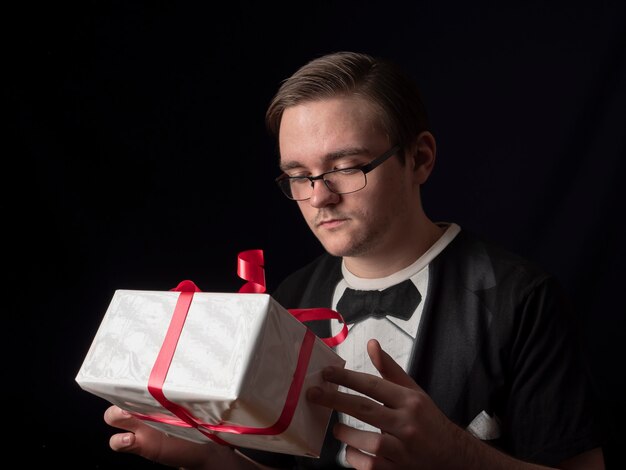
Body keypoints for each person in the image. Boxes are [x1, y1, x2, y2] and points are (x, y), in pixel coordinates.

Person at [104, 51, 604, 469]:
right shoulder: (290, 299)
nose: (319, 198)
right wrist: (209, 457)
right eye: (298, 175)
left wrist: (456, 454)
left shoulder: (522, 298)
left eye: (344, 167)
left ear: (421, 158)